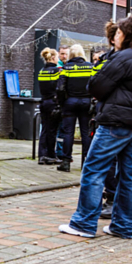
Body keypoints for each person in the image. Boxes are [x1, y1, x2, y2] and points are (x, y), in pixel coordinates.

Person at [59, 16, 132, 239]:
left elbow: (95, 86)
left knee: (94, 170)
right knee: (129, 175)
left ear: (128, 34)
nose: (115, 36)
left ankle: (83, 224)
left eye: (118, 32)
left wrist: (108, 62)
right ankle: (123, 227)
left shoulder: (123, 58)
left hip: (115, 122)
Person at [93, 22, 120, 219]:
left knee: (107, 161)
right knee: (114, 162)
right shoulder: (107, 60)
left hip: (113, 115)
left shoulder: (110, 60)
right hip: (109, 114)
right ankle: (112, 200)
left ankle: (112, 200)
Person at [55, 44, 94, 172]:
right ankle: (86, 163)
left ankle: (66, 162)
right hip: (86, 102)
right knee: (86, 133)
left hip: (70, 102)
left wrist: (62, 103)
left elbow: (60, 88)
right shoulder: (90, 67)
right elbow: (95, 85)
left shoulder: (67, 68)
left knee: (68, 133)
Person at [36, 47, 61, 165]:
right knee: (52, 130)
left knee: (44, 129)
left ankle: (41, 155)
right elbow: (58, 88)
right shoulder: (57, 71)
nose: (58, 59)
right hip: (53, 103)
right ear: (53, 58)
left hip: (43, 102)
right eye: (57, 57)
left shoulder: (41, 71)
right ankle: (51, 155)